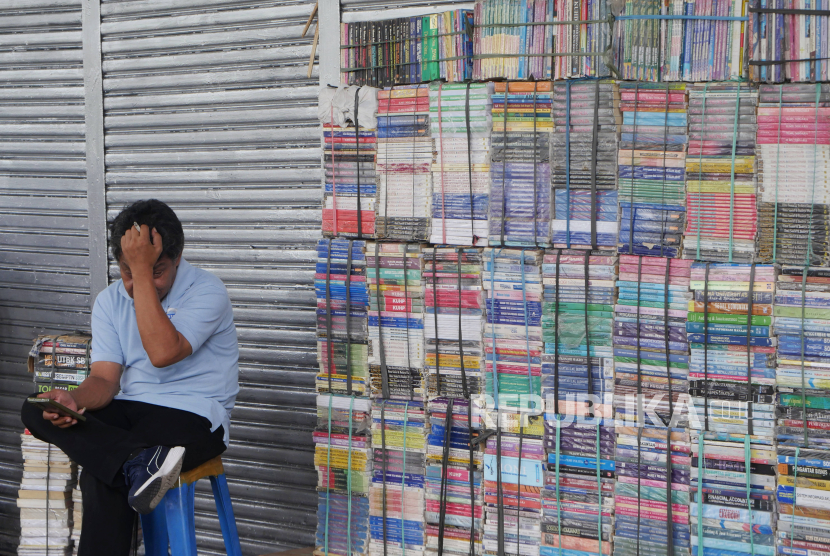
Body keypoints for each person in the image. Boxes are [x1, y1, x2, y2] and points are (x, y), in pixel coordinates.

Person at [20, 199, 239, 556]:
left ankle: (132, 462)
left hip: (195, 420)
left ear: (178, 258)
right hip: (134, 415)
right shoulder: (108, 302)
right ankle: (138, 462)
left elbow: (163, 353)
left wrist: (139, 271)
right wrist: (75, 400)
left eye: (157, 270)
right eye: (127, 271)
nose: (137, 283)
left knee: (101, 472)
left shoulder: (207, 290)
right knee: (35, 410)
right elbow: (105, 379)